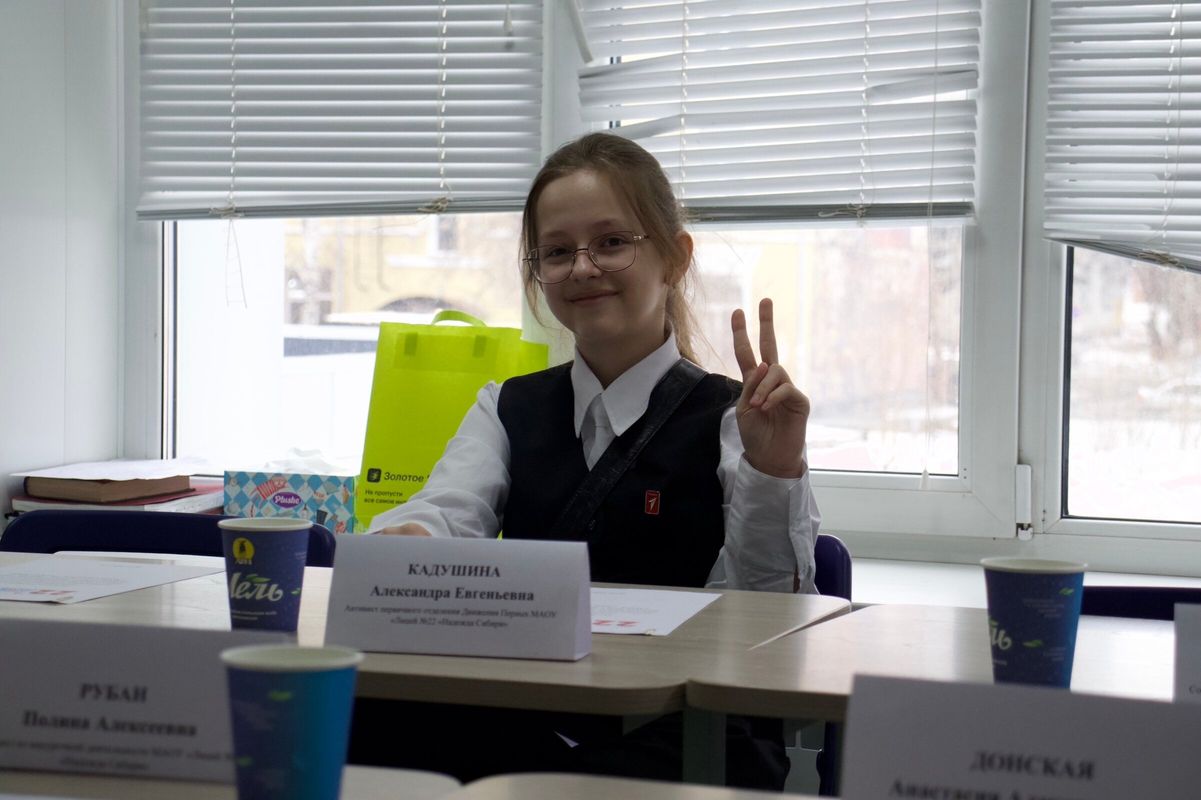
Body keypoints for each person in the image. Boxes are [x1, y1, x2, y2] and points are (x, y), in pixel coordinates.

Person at [352, 132, 820, 789]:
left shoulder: (737, 418)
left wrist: (774, 472)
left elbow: (761, 620)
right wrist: (410, 542)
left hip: (686, 731)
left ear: (675, 257)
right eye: (556, 251)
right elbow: (447, 511)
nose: (582, 268)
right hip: (531, 714)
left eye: (611, 242)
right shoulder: (506, 406)